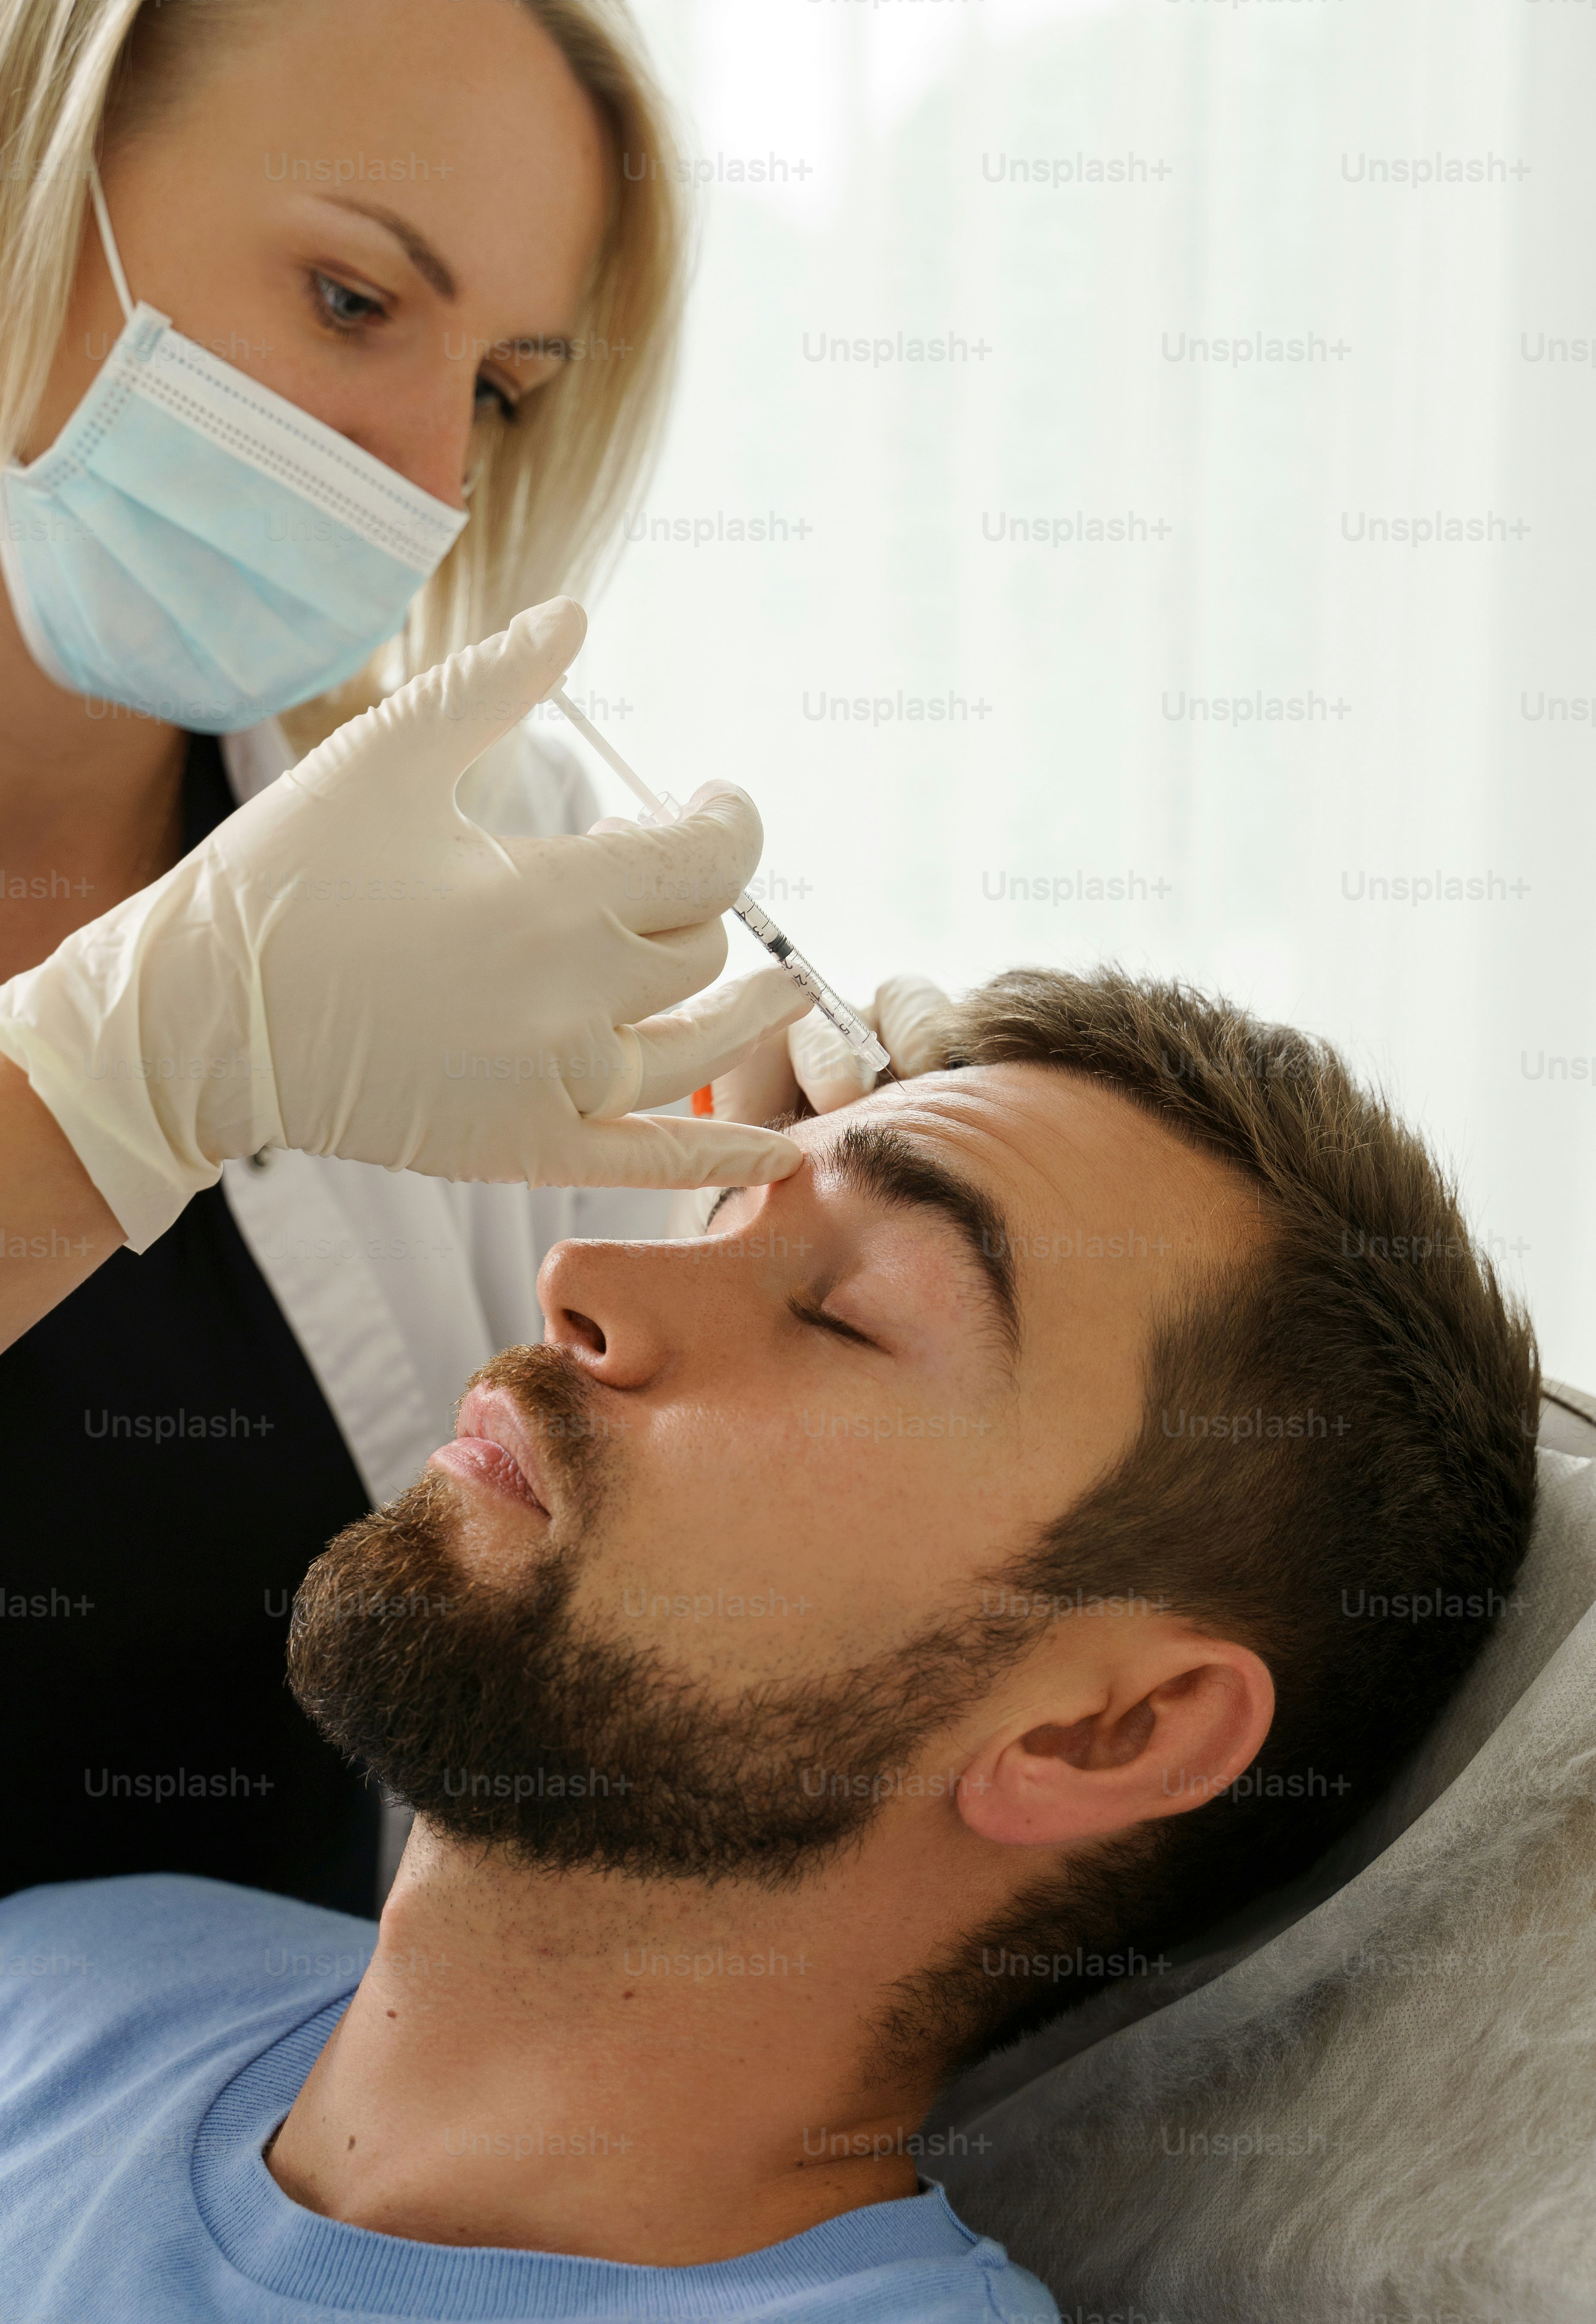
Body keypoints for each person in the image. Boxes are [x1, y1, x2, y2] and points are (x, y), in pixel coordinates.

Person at [0, 966, 1539, 2316]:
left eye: (844, 1315)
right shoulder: (70, 1970)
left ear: (1106, 1729)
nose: (580, 1280)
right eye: (722, 1208)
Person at [0, 0, 921, 1912]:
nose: (424, 475)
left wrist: (798, 1202)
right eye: (351, 297)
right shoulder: (271, 978)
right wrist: (111, 1085)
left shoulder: (466, 866)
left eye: (502, 390)